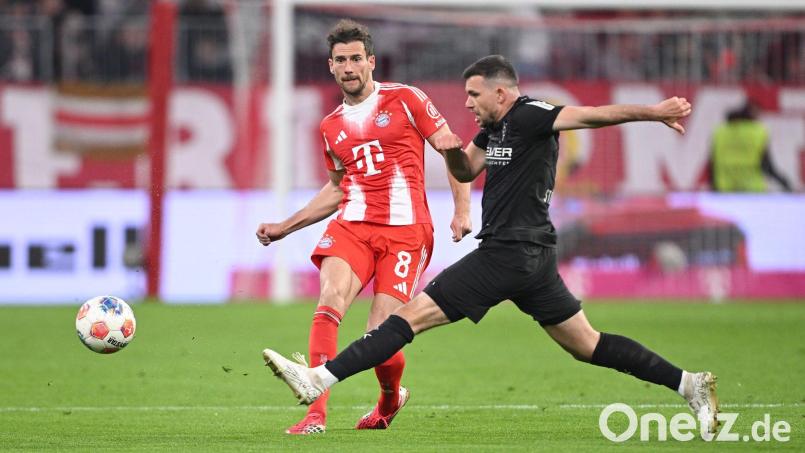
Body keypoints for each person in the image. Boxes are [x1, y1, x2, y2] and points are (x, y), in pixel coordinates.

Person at [262, 55, 721, 438]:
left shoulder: (532, 114)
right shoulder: (491, 132)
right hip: (531, 258)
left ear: (501, 93)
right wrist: (446, 148)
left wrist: (654, 112)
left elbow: (596, 114)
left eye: (474, 95)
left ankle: (319, 377)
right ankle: (688, 384)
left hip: (507, 253)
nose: (467, 104)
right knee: (587, 344)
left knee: (406, 318)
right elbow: (465, 171)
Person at [255, 19, 472, 435]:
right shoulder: (330, 127)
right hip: (353, 225)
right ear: (331, 67)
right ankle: (315, 415)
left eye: (356, 58)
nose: (349, 66)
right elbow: (338, 190)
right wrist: (286, 226)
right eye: (341, 60)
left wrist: (462, 210)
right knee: (330, 299)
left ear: (371, 62)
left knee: (381, 334)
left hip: (407, 232)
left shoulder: (406, 99)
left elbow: (452, 152)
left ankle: (390, 398)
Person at [707, 101, 792, 192]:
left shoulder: (720, 131)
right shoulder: (758, 132)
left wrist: (713, 186)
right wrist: (783, 181)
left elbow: (712, 162)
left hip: (724, 188)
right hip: (752, 189)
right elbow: (767, 165)